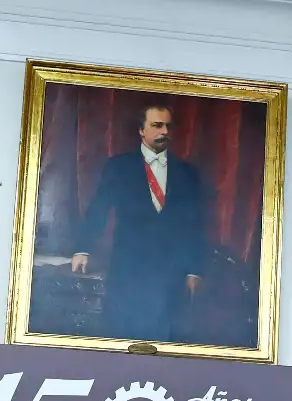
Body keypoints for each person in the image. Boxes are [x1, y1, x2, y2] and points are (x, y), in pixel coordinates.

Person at [70, 103, 209, 342]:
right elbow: (98, 209)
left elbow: (196, 224)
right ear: (141, 130)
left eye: (168, 126)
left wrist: (194, 270)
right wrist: (83, 248)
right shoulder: (118, 167)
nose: (164, 131)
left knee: (165, 340)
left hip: (170, 273)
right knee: (121, 334)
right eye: (157, 125)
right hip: (128, 267)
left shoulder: (187, 173)